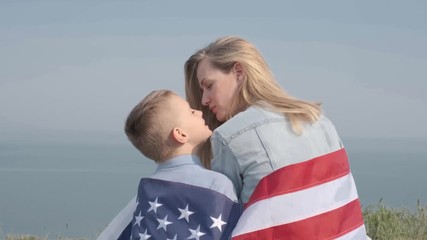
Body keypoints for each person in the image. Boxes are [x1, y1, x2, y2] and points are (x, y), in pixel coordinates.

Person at [184, 36, 370, 239]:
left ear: (239, 72)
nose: (203, 100)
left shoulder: (229, 136)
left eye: (209, 85)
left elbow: (220, 225)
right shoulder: (319, 121)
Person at [97, 90, 241, 240]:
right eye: (191, 112)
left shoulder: (143, 196)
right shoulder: (217, 185)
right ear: (180, 134)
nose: (199, 112)